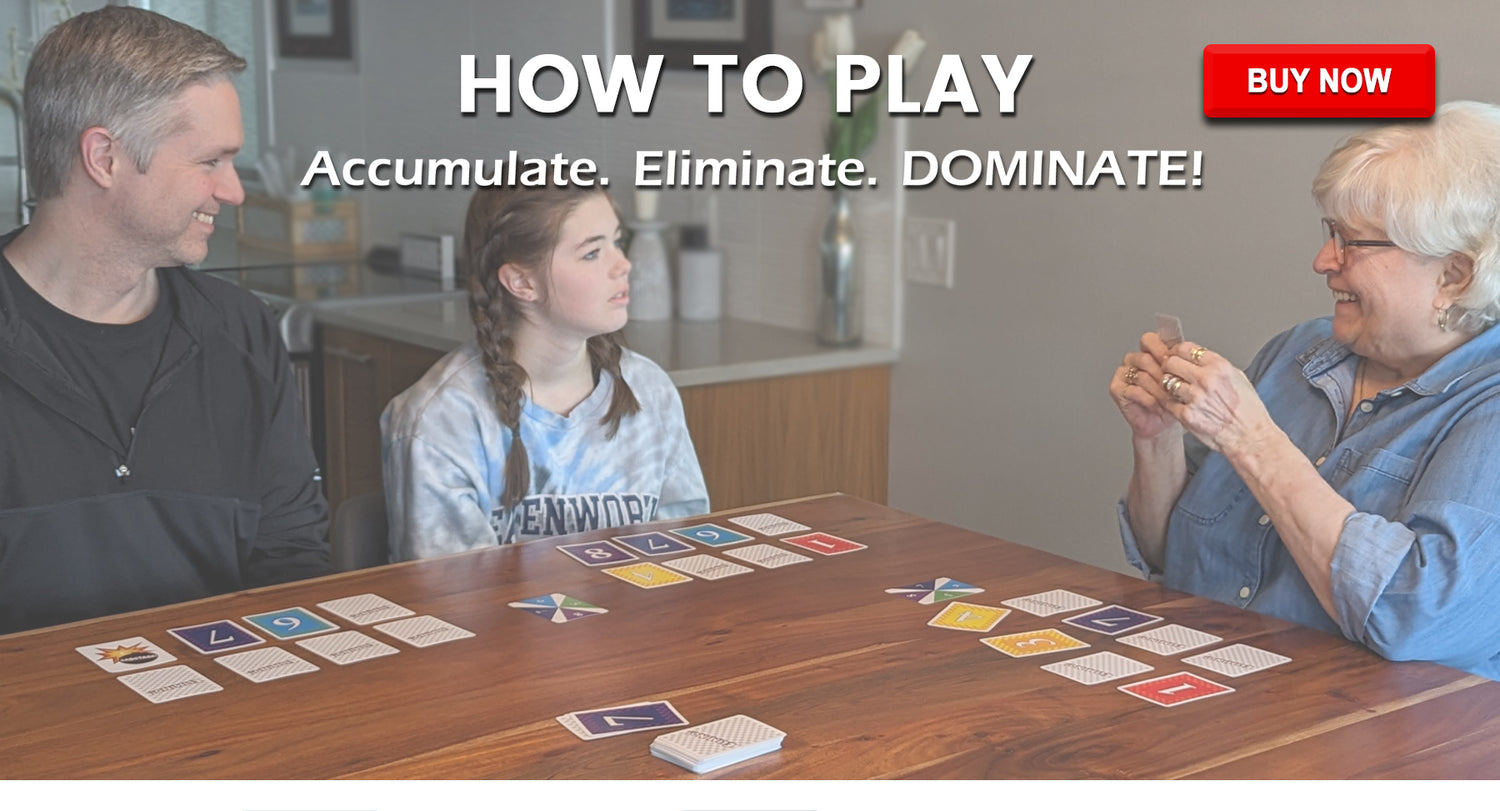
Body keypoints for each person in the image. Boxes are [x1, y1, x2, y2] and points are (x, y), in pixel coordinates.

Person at [1109, 101, 1500, 679]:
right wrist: (1157, 440)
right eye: (1329, 234)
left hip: (1364, 745)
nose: (1323, 261)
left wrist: (1253, 441)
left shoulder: (1484, 408)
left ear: (1454, 275)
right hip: (1200, 691)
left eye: (1352, 243)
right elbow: (1170, 558)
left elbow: (1417, 618)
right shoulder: (1297, 352)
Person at [0, 7, 331, 634]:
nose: (233, 191)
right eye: (210, 161)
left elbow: (291, 558)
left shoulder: (242, 331)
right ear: (104, 158)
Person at [382, 183, 709, 558]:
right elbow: (452, 598)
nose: (623, 264)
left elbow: (686, 550)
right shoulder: (441, 419)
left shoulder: (650, 390)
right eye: (592, 253)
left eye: (617, 242)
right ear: (522, 282)